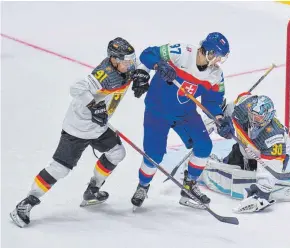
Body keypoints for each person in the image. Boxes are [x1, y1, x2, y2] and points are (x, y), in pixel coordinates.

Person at [10, 37, 151, 227]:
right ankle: (25, 203)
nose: (131, 64)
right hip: (78, 127)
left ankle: (92, 191)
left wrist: (142, 74)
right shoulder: (104, 75)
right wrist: (94, 106)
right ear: (114, 59)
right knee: (60, 169)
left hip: (98, 126)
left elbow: (145, 61)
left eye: (131, 60)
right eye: (127, 61)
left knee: (117, 153)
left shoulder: (125, 68)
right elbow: (76, 87)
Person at [130, 32, 230, 209]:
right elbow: (147, 54)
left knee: (204, 145)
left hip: (185, 114)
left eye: (222, 58)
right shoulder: (181, 51)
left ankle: (189, 186)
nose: (218, 62)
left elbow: (212, 101)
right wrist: (159, 64)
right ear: (207, 51)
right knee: (154, 155)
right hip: (157, 111)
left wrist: (219, 118)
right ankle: (143, 186)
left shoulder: (215, 75)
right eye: (217, 56)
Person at [203, 92, 290, 212]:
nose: (253, 119)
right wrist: (220, 123)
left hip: (272, 157)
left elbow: (272, 166)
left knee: (259, 179)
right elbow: (229, 108)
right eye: (252, 115)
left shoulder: (273, 138)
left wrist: (262, 193)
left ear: (268, 117)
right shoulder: (242, 108)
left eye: (258, 118)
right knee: (231, 163)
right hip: (246, 149)